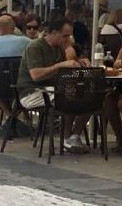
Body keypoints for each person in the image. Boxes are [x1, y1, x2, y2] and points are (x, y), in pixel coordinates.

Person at [16, 19, 92, 153]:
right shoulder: (35, 47)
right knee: (70, 97)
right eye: (65, 36)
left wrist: (79, 63)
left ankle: (72, 136)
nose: (68, 39)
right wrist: (60, 65)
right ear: (53, 33)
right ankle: (68, 138)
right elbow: (36, 75)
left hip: (53, 90)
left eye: (69, 36)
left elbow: (64, 71)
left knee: (89, 96)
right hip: (31, 92)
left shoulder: (59, 49)